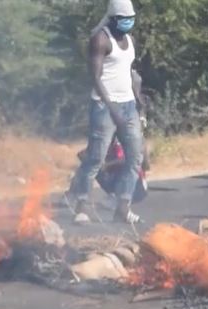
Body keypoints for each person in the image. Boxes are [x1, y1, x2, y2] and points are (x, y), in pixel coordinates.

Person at [66, 0, 143, 224]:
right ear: (113, 18)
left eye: (131, 18)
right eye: (124, 18)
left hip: (128, 105)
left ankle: (123, 206)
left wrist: (138, 101)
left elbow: (128, 73)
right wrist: (113, 110)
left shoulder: (130, 40)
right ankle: (82, 205)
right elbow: (96, 77)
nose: (129, 22)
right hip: (104, 105)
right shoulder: (101, 39)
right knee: (96, 158)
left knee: (135, 157)